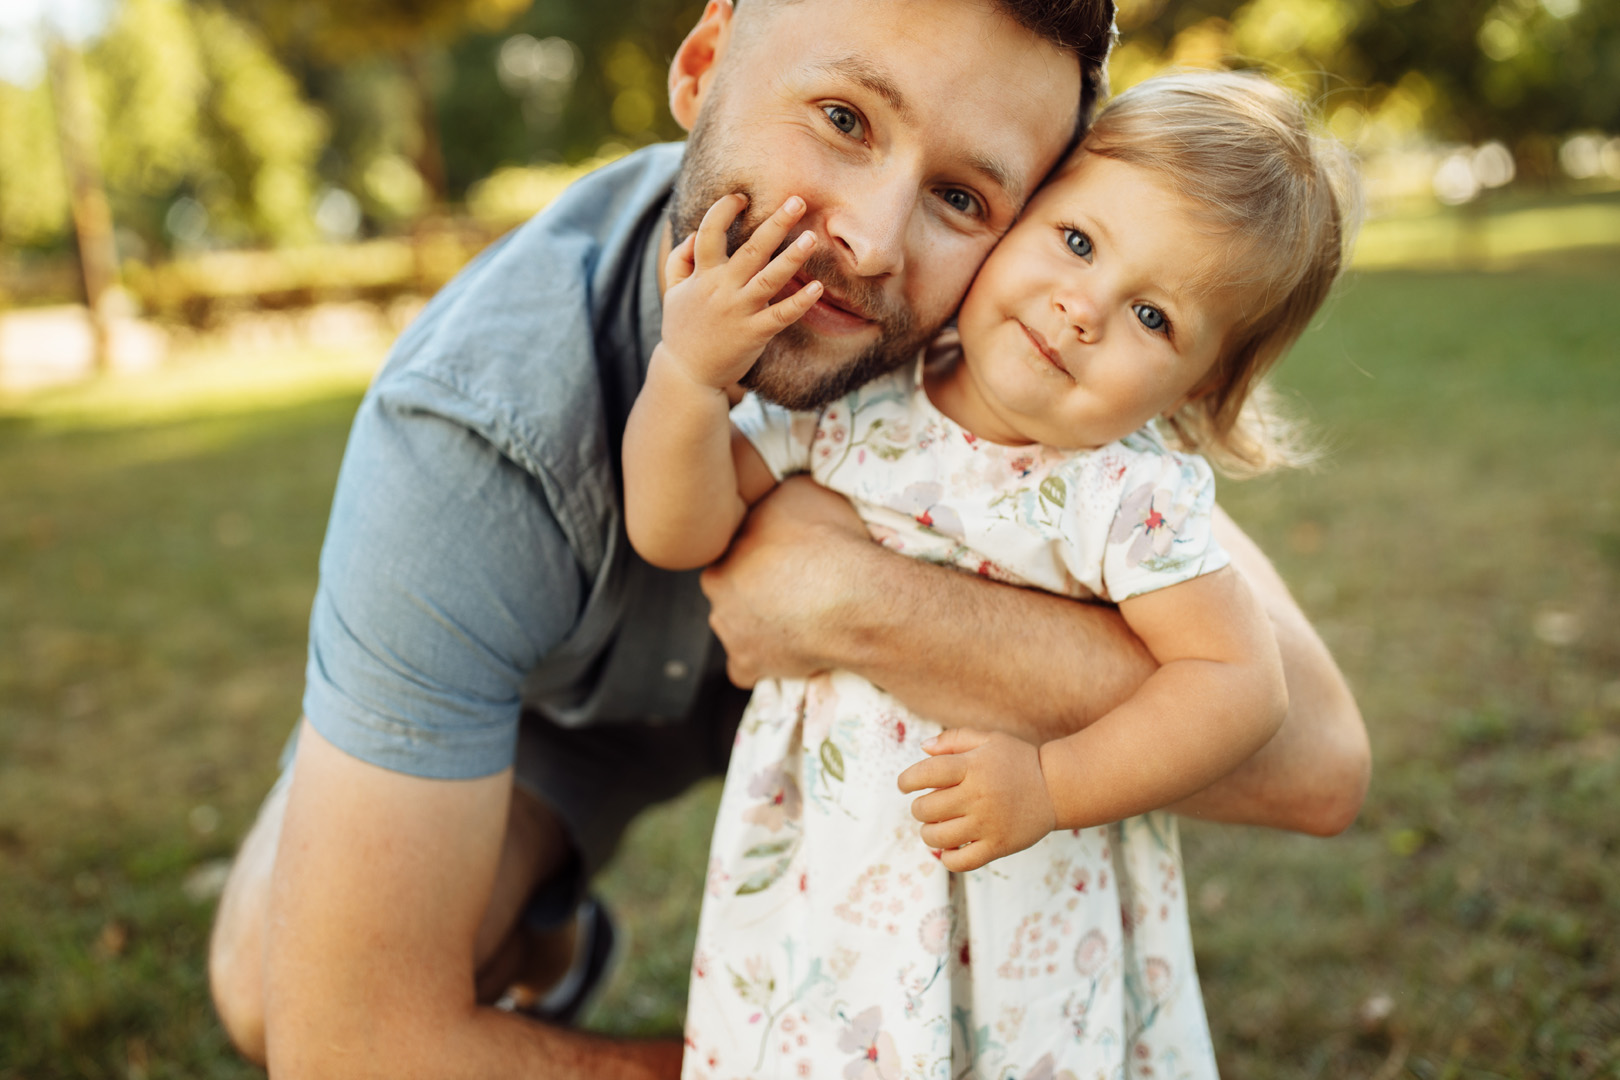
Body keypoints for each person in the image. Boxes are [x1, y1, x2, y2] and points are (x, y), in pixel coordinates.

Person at [205, 2, 1370, 1077]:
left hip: (889, 755)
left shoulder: (1034, 393)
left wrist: (846, 597)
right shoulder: (473, 429)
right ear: (704, 65)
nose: (867, 245)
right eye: (845, 119)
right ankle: (546, 932)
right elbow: (348, 1047)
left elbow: (1312, 762)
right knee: (275, 986)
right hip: (555, 720)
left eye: (964, 198)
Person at [622, 69, 1358, 1078]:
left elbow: (1241, 684)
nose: (1084, 307)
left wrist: (1057, 783)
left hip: (1032, 929)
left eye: (1155, 318)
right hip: (823, 896)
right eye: (1080, 241)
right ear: (1020, 213)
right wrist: (689, 378)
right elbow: (679, 530)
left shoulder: (1125, 495)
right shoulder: (859, 400)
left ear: (1208, 381)